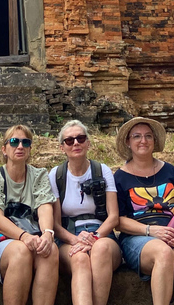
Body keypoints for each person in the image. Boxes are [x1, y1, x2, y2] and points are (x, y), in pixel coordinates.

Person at [114, 117, 174, 305]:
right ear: (128, 141)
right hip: (139, 238)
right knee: (163, 253)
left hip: (173, 233)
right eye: (137, 136)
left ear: (154, 141)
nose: (143, 141)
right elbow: (118, 220)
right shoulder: (119, 177)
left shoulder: (169, 170)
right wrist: (151, 231)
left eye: (148, 136)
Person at [0, 125, 59, 305]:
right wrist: (23, 237)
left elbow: (45, 207)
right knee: (20, 250)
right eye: (14, 141)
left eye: (25, 142)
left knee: (50, 250)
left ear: (30, 148)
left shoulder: (38, 175)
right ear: (4, 149)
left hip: (31, 235)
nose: (20, 146)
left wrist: (47, 233)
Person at [48, 120, 122, 305]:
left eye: (81, 138)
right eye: (69, 140)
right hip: (69, 237)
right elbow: (55, 224)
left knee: (101, 249)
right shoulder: (56, 175)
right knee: (79, 258)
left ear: (88, 143)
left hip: (102, 235)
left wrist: (94, 237)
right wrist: (76, 240)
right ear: (61, 147)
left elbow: (113, 216)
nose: (76, 143)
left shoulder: (102, 170)